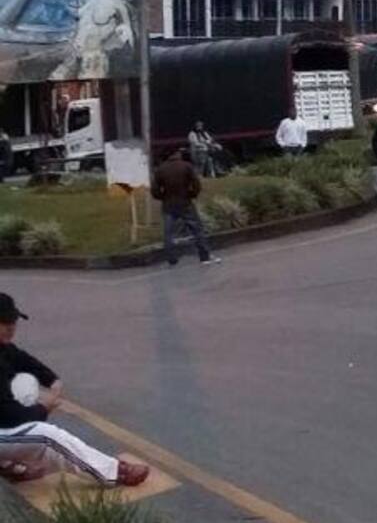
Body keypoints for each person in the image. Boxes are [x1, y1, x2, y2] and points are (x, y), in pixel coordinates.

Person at [0, 292, 148, 487]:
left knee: (37, 429)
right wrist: (44, 408)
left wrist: (52, 380)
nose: (12, 328)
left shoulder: (3, 346)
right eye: (5, 323)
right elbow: (11, 417)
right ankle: (113, 472)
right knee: (45, 435)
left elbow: (21, 358)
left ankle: (8, 465)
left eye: (13, 322)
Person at [151, 147, 216, 267]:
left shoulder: (160, 170)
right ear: (177, 153)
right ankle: (204, 256)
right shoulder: (186, 166)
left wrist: (163, 197)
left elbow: (155, 191)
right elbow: (196, 184)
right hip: (185, 202)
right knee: (197, 229)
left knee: (169, 233)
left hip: (168, 205)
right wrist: (191, 194)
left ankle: (172, 259)